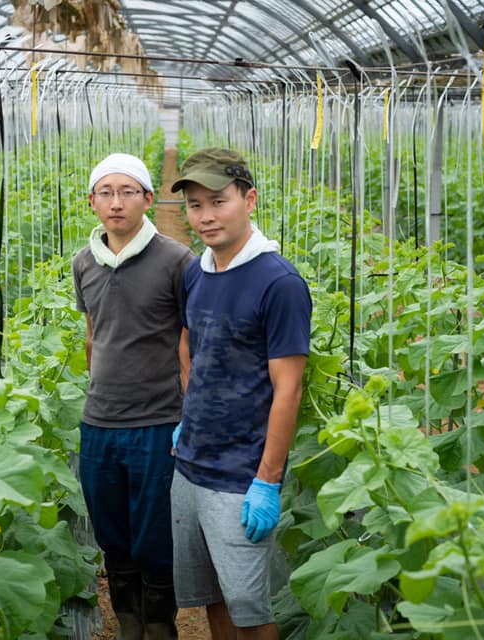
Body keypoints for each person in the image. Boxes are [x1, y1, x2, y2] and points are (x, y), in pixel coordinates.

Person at [169, 148, 312, 640]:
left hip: (241, 476)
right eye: (194, 205)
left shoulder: (279, 282)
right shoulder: (197, 272)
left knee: (251, 609)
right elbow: (190, 346)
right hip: (189, 465)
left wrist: (267, 480)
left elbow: (288, 388)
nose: (205, 216)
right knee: (211, 597)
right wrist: (191, 414)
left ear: (249, 199)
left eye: (218, 201)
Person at [72, 152, 193, 640]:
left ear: (148, 198)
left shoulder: (177, 260)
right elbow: (93, 334)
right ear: (92, 201)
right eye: (106, 192)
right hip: (100, 423)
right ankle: (129, 626)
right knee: (112, 534)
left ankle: (162, 627)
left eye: (127, 192)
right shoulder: (85, 262)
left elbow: (189, 341)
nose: (116, 202)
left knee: (155, 535)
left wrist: (189, 413)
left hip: (159, 422)